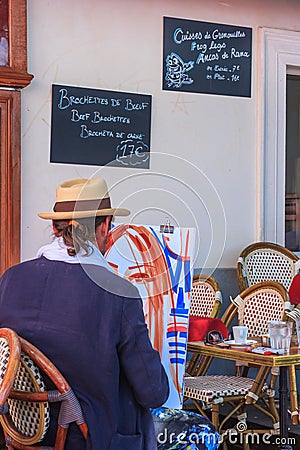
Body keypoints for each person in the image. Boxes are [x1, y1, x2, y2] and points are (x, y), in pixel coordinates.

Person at [0, 177, 169, 450]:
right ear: (104, 227)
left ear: (56, 227)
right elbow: (153, 393)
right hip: (85, 438)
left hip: (17, 432)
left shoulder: (10, 279)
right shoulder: (118, 293)